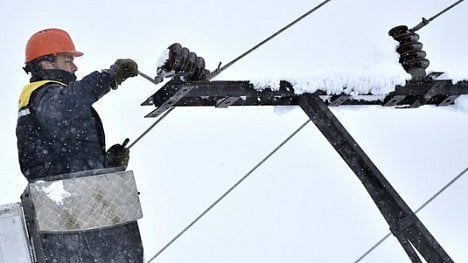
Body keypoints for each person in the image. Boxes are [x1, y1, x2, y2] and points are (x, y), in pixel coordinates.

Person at [16, 28, 144, 262]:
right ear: (47, 63)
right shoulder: (43, 95)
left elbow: (66, 159)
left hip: (76, 214)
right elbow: (69, 105)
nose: (74, 67)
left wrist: (108, 167)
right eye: (68, 60)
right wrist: (110, 77)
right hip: (68, 216)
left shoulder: (47, 100)